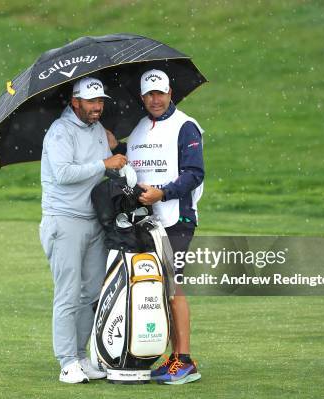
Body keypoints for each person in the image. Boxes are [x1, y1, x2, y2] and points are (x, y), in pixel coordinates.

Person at [39, 76, 127, 384]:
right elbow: (63, 173)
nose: (97, 107)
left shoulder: (99, 132)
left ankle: (79, 356)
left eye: (100, 101)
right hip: (64, 221)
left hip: (94, 221)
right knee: (68, 293)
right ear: (75, 102)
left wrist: (115, 155)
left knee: (91, 293)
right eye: (91, 102)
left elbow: (107, 163)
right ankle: (66, 363)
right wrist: (104, 162)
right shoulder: (59, 132)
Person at [125, 69, 205, 385]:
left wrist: (163, 192)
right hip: (149, 220)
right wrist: (116, 148)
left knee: (172, 287)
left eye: (160, 93)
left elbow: (194, 174)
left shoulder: (185, 126)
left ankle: (184, 359)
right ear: (142, 97)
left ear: (170, 92)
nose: (155, 99)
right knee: (158, 288)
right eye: (149, 94)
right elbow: (134, 167)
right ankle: (173, 358)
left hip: (178, 219)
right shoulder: (139, 130)